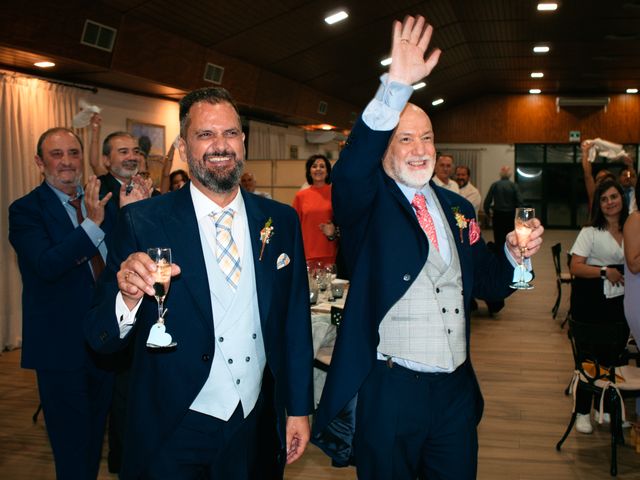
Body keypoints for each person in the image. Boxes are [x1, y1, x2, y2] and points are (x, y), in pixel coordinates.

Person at [312, 15, 544, 480]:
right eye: (405, 139)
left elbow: (486, 280)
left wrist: (518, 261)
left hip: (456, 392)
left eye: (428, 138)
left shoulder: (458, 207)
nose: (421, 148)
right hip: (392, 390)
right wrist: (395, 87)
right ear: (384, 150)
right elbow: (353, 166)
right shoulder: (367, 201)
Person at [85, 86, 313, 479]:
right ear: (183, 145)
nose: (220, 146)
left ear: (243, 141)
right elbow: (99, 335)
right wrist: (126, 297)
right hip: (171, 425)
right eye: (205, 135)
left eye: (230, 133)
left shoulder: (281, 221)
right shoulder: (143, 221)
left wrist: (299, 407)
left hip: (253, 422)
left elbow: (295, 322)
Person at [8, 128, 117, 479]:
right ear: (40, 162)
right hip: (59, 347)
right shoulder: (26, 210)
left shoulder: (102, 201)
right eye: (57, 154)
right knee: (70, 447)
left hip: (104, 343)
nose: (67, 162)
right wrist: (90, 226)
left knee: (93, 441)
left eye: (73, 152)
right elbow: (47, 265)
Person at [569, 179, 628, 434]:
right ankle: (582, 411)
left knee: (612, 357)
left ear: (622, 198)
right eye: (604, 199)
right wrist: (605, 271)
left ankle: (603, 409)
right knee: (589, 359)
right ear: (598, 205)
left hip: (621, 302)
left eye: (613, 196)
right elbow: (575, 267)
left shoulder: (632, 228)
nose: (610, 202)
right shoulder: (591, 231)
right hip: (591, 302)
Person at [292, 154, 338, 266]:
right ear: (309, 171)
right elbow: (293, 225)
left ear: (327, 171)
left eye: (322, 166)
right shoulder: (301, 196)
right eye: (314, 166)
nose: (318, 169)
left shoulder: (336, 193)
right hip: (307, 253)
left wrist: (333, 231)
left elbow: (343, 221)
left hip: (330, 252)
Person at [98, 131, 144, 207]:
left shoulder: (148, 190)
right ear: (107, 160)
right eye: (124, 152)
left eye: (136, 151)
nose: (132, 157)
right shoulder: (98, 191)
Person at [483, 165, 523, 249]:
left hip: (498, 215)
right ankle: (509, 255)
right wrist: (519, 216)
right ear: (510, 175)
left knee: (498, 238)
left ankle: (499, 255)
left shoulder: (495, 185)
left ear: (500, 174)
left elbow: (487, 201)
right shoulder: (514, 186)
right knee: (511, 238)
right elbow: (520, 202)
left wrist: (488, 213)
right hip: (510, 215)